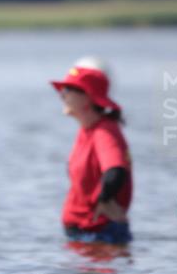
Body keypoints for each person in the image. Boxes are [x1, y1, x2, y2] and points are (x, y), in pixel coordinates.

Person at [51, 60, 133, 244]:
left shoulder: (104, 132)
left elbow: (116, 171)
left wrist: (104, 201)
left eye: (68, 90)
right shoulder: (87, 130)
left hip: (99, 233)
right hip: (84, 233)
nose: (62, 95)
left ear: (87, 96)